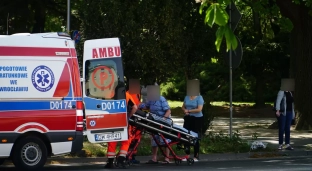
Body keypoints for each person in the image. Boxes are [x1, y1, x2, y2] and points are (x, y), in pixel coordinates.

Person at [104, 91, 138, 168]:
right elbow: (135, 107)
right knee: (125, 141)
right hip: (123, 120)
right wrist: (129, 116)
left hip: (112, 120)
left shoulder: (108, 94)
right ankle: (120, 161)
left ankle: (110, 163)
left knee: (112, 141)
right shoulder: (127, 95)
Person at [144, 95, 171, 164]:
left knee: (164, 139)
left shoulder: (161, 99)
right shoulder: (150, 99)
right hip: (155, 121)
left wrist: (163, 120)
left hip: (164, 120)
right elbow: (146, 106)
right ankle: (154, 158)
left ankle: (167, 158)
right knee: (154, 139)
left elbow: (168, 111)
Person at [181, 94, 204, 162]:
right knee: (186, 135)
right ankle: (187, 155)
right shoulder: (187, 97)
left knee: (195, 136)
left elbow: (199, 109)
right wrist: (184, 110)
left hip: (197, 119)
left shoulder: (199, 97)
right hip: (188, 118)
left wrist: (189, 111)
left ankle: (196, 156)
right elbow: (183, 106)